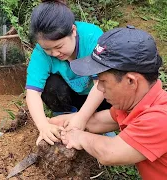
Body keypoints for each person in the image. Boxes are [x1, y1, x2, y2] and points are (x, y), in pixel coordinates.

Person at [58, 26, 167, 179]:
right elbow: (97, 122)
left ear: (131, 81)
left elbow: (110, 152)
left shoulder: (163, 118)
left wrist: (79, 137)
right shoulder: (133, 104)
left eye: (103, 81)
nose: (100, 88)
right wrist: (50, 124)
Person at [26, 0, 111, 145]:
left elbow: (100, 85)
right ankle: (64, 119)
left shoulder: (92, 36)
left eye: (58, 46)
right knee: (50, 84)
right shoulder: (41, 52)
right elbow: (33, 92)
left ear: (73, 30)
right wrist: (43, 126)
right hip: (71, 96)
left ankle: (102, 125)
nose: (54, 53)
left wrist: (81, 118)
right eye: (47, 49)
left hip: (98, 96)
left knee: (109, 83)